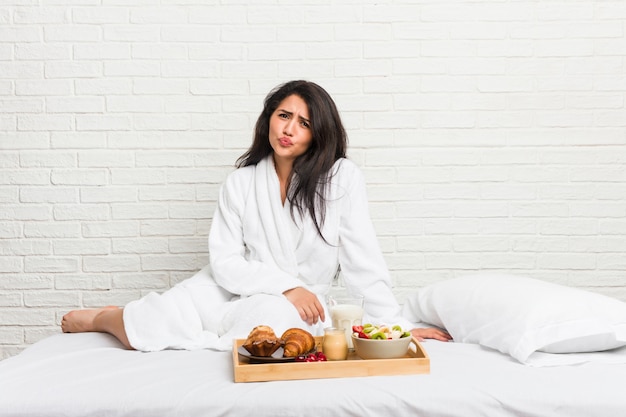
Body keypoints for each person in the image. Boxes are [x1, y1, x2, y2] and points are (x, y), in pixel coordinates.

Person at [61, 80, 451, 351]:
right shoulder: (241, 183)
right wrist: (286, 284)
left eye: (304, 123)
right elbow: (226, 262)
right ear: (269, 118)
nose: (289, 129)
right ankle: (105, 319)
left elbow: (362, 261)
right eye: (284, 116)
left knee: (272, 327)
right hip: (228, 287)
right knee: (146, 324)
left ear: (318, 134)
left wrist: (394, 329)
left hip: (297, 306)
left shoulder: (340, 179)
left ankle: (140, 319)